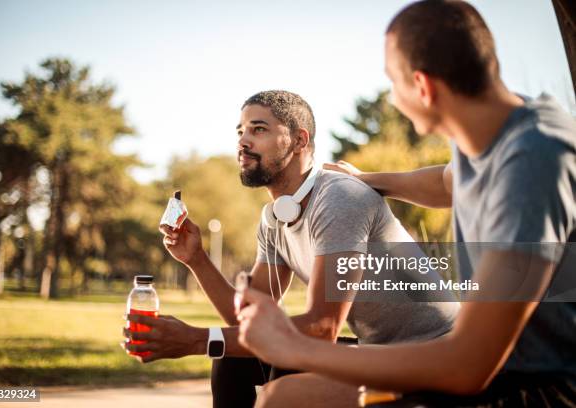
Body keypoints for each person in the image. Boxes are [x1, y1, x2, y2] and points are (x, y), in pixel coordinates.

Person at [236, 1, 576, 407]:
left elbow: (468, 364)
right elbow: (444, 183)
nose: (393, 99)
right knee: (288, 393)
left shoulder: (534, 162)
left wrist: (293, 348)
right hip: (497, 370)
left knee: (287, 399)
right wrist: (368, 181)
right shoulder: (498, 129)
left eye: (393, 83)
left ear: (423, 87)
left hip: (538, 389)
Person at [122, 90, 459, 407]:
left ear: (299, 140)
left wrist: (197, 338)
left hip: (433, 358)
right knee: (232, 360)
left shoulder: (338, 198)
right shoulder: (274, 219)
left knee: (280, 369)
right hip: (379, 353)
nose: (243, 140)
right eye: (240, 131)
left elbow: (321, 329)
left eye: (258, 129)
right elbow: (246, 322)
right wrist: (196, 259)